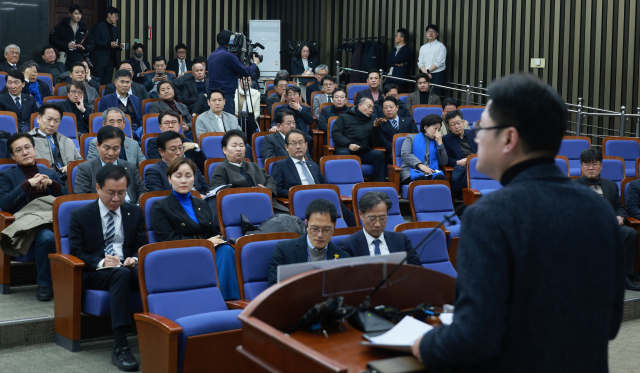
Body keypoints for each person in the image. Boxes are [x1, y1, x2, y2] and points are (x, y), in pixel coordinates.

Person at [411, 73, 626, 372]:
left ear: (509, 138)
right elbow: (610, 323)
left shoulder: (490, 216)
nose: (476, 137)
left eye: (482, 127)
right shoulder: (599, 210)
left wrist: (427, 344)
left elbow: (475, 337)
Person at [68, 164, 146, 371]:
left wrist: (135, 258)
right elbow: (76, 252)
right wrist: (102, 262)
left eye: (121, 193)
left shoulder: (134, 212)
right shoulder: (81, 215)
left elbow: (142, 246)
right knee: (120, 274)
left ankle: (163, 331)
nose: (116, 199)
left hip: (128, 267)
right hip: (96, 272)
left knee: (145, 272)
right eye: (110, 193)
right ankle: (120, 345)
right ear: (98, 188)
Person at [151, 157, 240, 300]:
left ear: (194, 178)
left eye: (188, 176)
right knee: (224, 252)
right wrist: (205, 244)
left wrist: (219, 240)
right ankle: (224, 299)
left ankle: (230, 299)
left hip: (207, 250)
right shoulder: (160, 206)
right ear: (169, 179)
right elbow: (167, 240)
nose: (184, 180)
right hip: (181, 254)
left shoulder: (202, 204)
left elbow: (213, 233)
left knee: (227, 249)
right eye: (178, 176)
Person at [0, 133, 68, 301]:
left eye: (28, 147)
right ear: (12, 156)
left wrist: (53, 184)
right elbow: (6, 204)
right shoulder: (6, 176)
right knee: (46, 237)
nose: (25, 152)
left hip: (53, 219)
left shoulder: (49, 173)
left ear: (34, 149)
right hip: (29, 224)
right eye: (19, 150)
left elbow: (67, 200)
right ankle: (45, 284)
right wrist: (26, 185)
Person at [573, 149, 639, 291]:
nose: (591, 167)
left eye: (595, 164)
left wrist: (620, 217)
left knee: (631, 234)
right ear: (581, 167)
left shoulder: (610, 185)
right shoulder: (572, 186)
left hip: (610, 225)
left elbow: (620, 207)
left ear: (601, 166)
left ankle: (625, 278)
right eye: (586, 164)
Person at [271, 128, 356, 227]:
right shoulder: (280, 165)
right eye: (293, 143)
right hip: (301, 200)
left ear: (306, 145)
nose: (298, 147)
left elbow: (325, 185)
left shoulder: (313, 165)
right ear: (286, 147)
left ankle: (352, 230)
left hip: (321, 198)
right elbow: (278, 189)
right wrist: (299, 193)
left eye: (301, 143)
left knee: (336, 199)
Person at [267, 199, 350, 286]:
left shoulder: (343, 257)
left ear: (334, 226)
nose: (320, 235)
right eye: (314, 229)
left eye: (326, 230)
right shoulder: (284, 250)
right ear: (306, 224)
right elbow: (274, 289)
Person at [210, 130, 288, 213]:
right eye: (234, 146)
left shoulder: (253, 165)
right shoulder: (221, 169)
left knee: (291, 220)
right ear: (224, 149)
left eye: (241, 145)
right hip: (240, 209)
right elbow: (221, 194)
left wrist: (265, 190)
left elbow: (270, 180)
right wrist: (252, 193)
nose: (238, 149)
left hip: (266, 205)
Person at [339, 191, 420, 264]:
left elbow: (417, 271)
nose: (377, 224)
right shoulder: (348, 245)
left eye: (382, 218)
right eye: (372, 219)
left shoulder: (401, 240)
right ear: (361, 215)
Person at [74, 126, 147, 204]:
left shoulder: (130, 167)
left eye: (116, 149)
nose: (111, 153)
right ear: (98, 145)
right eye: (106, 148)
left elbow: (142, 192)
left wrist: (137, 207)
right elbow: (83, 199)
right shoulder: (85, 168)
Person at [331, 97, 386, 182]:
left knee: (378, 154)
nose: (371, 110)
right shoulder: (343, 117)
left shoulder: (372, 121)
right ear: (360, 105)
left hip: (363, 151)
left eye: (372, 108)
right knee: (344, 153)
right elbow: (336, 134)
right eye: (369, 106)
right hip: (346, 150)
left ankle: (381, 186)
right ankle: (347, 184)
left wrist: (376, 127)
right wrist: (349, 144)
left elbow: (374, 143)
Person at [207, 30, 261, 115]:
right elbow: (246, 72)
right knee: (228, 125)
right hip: (225, 96)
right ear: (231, 41)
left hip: (212, 96)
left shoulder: (211, 55)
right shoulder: (229, 56)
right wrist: (255, 63)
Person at [144, 131, 209, 195]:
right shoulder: (153, 171)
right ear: (161, 152)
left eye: (180, 148)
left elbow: (206, 188)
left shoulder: (192, 165)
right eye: (173, 149)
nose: (178, 153)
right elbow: (159, 198)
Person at [28, 102, 82, 177]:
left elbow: (80, 163)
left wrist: (71, 167)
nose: (52, 124)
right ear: (39, 119)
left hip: (68, 180)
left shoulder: (67, 141)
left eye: (56, 121)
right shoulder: (27, 141)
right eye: (49, 119)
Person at [400, 114, 447, 185]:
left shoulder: (438, 141)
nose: (437, 132)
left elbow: (444, 162)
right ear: (425, 127)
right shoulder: (411, 138)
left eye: (439, 129)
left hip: (432, 171)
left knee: (440, 180)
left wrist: (440, 144)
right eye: (435, 128)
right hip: (411, 170)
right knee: (422, 181)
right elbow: (405, 154)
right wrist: (420, 165)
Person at [48, 5, 95, 70]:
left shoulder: (84, 28)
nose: (78, 16)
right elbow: (52, 40)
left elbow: (92, 44)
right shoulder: (61, 27)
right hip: (64, 58)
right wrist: (66, 45)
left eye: (80, 14)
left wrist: (84, 48)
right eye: (76, 14)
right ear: (70, 14)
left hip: (79, 58)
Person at [270, 86, 314, 153]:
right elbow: (275, 121)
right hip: (285, 133)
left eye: (295, 94)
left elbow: (310, 121)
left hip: (301, 134)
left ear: (299, 97)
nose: (292, 97)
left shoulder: (305, 108)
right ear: (286, 97)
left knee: (309, 139)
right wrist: (274, 126)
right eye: (289, 94)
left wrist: (299, 109)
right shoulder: (280, 108)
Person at [442, 110, 476, 196]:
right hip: (462, 167)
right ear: (448, 127)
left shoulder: (474, 134)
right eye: (453, 124)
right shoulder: (446, 139)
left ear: (463, 122)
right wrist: (457, 162)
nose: (457, 126)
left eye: (458, 123)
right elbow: (445, 159)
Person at [99, 70, 143, 135]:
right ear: (115, 83)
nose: (125, 85)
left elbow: (140, 119)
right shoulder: (106, 99)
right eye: (122, 82)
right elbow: (103, 120)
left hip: (136, 130)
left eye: (128, 82)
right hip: (116, 130)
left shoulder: (136, 99)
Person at [377, 96, 418, 164]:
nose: (388, 109)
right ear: (382, 110)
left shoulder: (409, 121)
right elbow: (383, 142)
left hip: (410, 151)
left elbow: (415, 137)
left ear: (397, 108)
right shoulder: (381, 125)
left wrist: (406, 150)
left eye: (391, 107)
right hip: (392, 154)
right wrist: (398, 150)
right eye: (385, 108)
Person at [91, 6, 123, 85]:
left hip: (111, 61)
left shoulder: (115, 29)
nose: (117, 18)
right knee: (98, 84)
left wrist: (119, 46)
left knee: (107, 84)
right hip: (99, 61)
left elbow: (115, 42)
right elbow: (94, 42)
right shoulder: (99, 26)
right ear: (109, 15)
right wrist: (109, 44)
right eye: (115, 15)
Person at [417, 24, 446, 96]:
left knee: (433, 95)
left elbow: (439, 62)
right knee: (423, 94)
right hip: (424, 74)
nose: (430, 33)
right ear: (426, 33)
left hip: (436, 75)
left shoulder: (441, 46)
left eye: (433, 31)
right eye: (428, 31)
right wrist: (426, 73)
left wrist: (428, 71)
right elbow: (420, 62)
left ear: (437, 34)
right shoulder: (423, 47)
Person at [385, 28, 412, 93]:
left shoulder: (407, 50)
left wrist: (393, 59)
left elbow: (398, 60)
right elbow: (387, 61)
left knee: (397, 95)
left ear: (402, 38)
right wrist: (395, 64)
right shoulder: (394, 49)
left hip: (399, 78)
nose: (395, 38)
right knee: (386, 94)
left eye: (397, 36)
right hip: (389, 76)